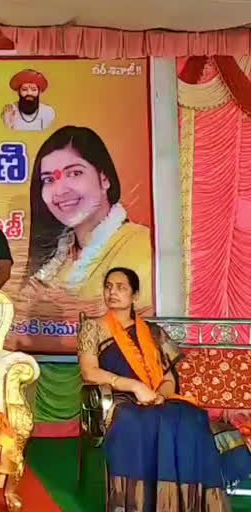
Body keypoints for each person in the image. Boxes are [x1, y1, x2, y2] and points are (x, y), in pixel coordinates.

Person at [78, 268, 251, 511]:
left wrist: (161, 395)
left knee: (190, 418)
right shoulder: (92, 327)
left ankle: (187, 502)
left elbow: (169, 377)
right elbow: (90, 372)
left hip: (159, 398)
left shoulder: (153, 332)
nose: (112, 292)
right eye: (108, 286)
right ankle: (140, 503)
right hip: (121, 398)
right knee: (135, 421)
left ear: (134, 295)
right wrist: (136, 387)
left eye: (121, 287)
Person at [26, 125, 152, 311]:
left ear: (104, 179)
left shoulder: (140, 244)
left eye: (75, 173)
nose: (60, 191)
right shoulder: (60, 257)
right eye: (49, 180)